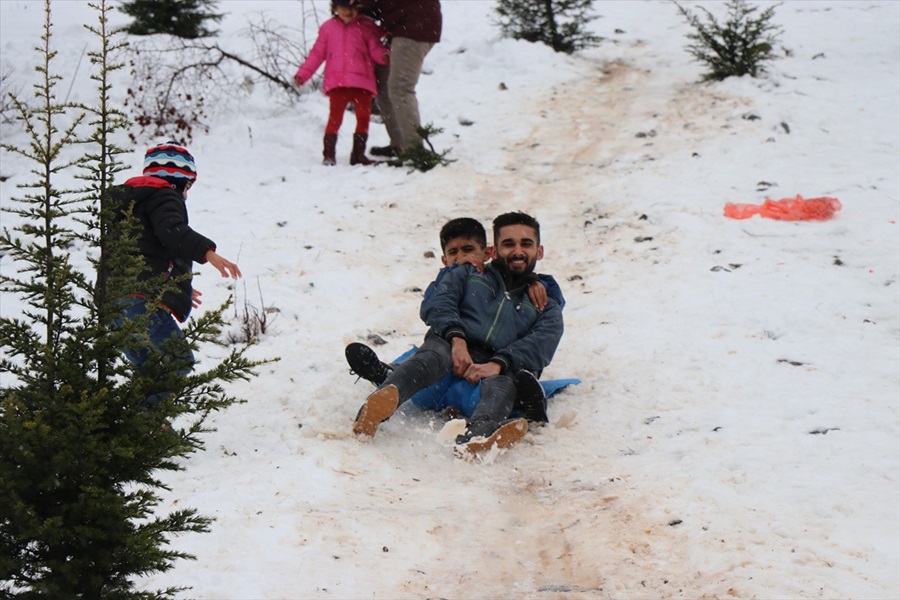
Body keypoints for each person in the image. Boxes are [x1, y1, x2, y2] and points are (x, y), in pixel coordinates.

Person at [352, 212, 564, 455]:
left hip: (492, 368)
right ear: (493, 251)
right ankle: (381, 401)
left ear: (539, 251)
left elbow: (544, 341)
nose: (517, 251)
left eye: (526, 244)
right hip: (447, 350)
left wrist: (498, 363)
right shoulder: (467, 273)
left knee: (504, 385)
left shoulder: (545, 300)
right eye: (509, 244)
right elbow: (439, 301)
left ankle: (479, 434)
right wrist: (457, 339)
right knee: (431, 355)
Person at [112, 141, 241, 408]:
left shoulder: (129, 204)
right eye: (188, 187)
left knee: (148, 366)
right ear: (179, 181)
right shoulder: (165, 196)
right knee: (177, 360)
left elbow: (143, 252)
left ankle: (130, 430)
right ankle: (146, 422)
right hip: (141, 301)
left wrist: (176, 285)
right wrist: (209, 253)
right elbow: (173, 232)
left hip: (112, 302)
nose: (186, 195)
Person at [293, 0, 390, 166]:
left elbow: (375, 47)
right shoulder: (328, 28)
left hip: (362, 82)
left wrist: (383, 55)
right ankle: (329, 154)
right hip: (339, 83)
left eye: (352, 8)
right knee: (335, 118)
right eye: (343, 7)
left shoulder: (367, 26)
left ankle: (358, 155)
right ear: (335, 8)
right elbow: (317, 54)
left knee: (363, 118)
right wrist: (303, 74)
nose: (348, 12)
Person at [357, 0, 442, 158]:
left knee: (400, 89)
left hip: (413, 27)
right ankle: (399, 144)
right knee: (383, 88)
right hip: (403, 26)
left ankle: (414, 151)